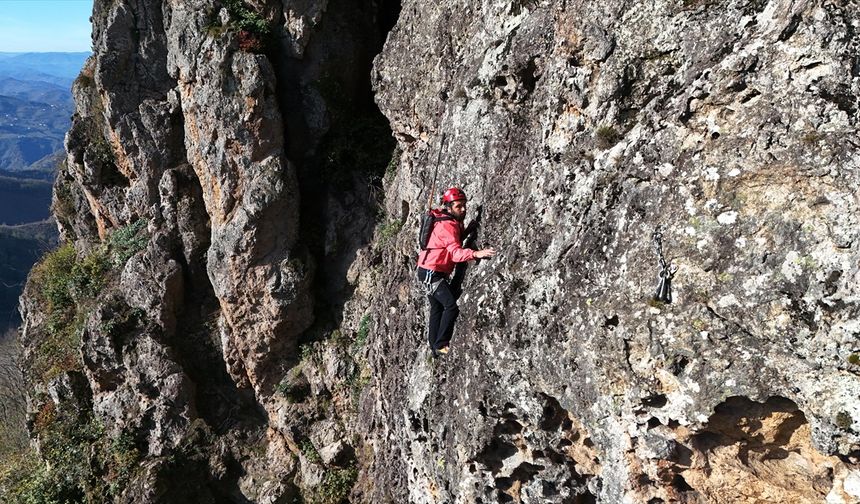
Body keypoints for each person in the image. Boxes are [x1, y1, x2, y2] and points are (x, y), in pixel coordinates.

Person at [416, 187, 496, 356]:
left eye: (464, 205)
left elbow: (451, 242)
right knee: (451, 306)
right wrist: (475, 253)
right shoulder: (448, 225)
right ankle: (441, 344)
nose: (463, 209)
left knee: (437, 307)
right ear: (449, 207)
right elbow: (455, 252)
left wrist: (467, 231)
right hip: (432, 272)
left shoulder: (448, 221)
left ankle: (433, 346)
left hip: (427, 269)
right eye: (459, 206)